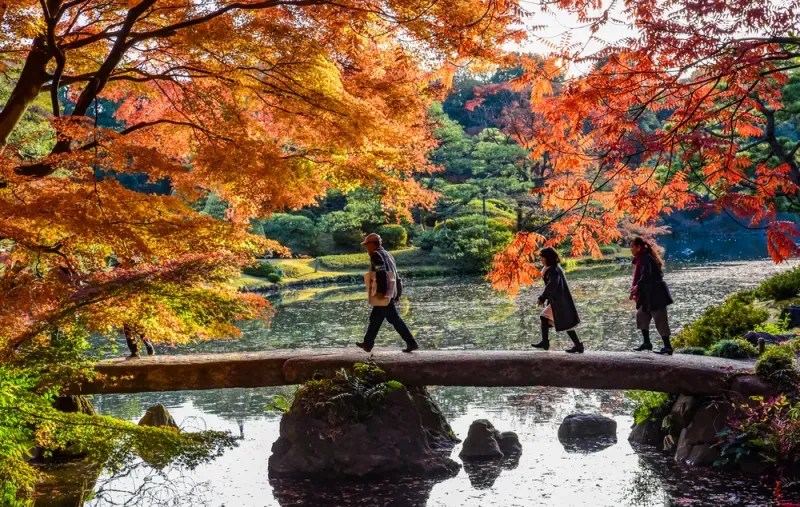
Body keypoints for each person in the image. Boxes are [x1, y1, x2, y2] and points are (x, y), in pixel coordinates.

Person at [356, 233, 420, 353]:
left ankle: (411, 342)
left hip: (383, 293)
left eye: (367, 245)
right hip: (390, 292)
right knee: (375, 317)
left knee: (394, 319)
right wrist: (397, 293)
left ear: (372, 244)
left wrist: (380, 291)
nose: (366, 248)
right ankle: (367, 344)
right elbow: (396, 275)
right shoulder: (388, 254)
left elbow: (381, 273)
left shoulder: (376, 254)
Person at [531, 247, 584, 353]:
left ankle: (545, 342)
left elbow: (552, 285)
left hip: (559, 301)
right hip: (558, 300)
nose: (541, 260)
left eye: (543, 258)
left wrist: (542, 297)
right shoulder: (553, 268)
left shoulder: (553, 270)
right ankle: (578, 345)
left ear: (548, 258)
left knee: (545, 318)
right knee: (564, 323)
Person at [630, 237, 674, 355]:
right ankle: (647, 343)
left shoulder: (645, 257)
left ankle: (668, 347)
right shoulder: (642, 257)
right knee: (641, 315)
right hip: (647, 293)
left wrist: (638, 287)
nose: (631, 250)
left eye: (632, 247)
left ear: (638, 247)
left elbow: (646, 274)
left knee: (660, 320)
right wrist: (637, 288)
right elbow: (644, 275)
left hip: (656, 293)